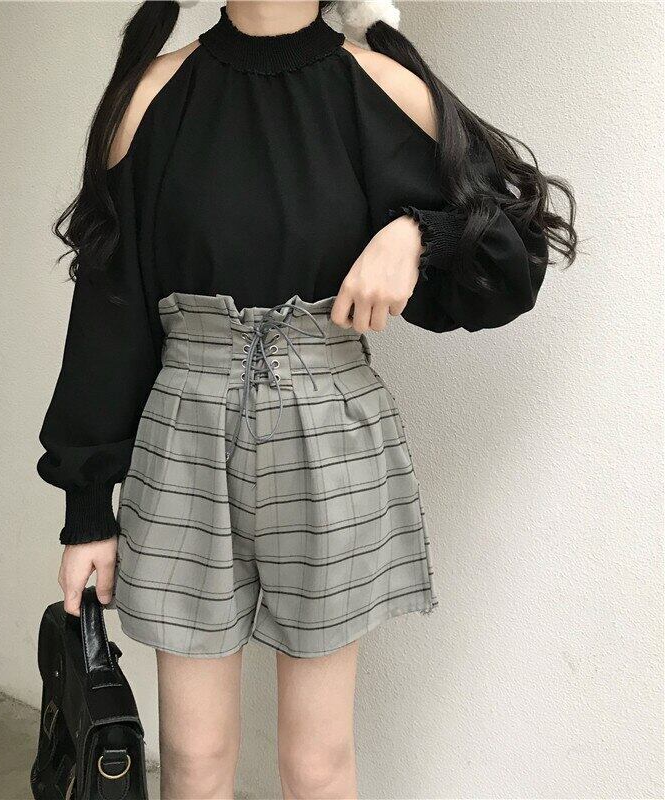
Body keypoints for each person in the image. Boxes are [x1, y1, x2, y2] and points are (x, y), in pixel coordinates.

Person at [37, 2, 577, 797]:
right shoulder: (152, 95)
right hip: (184, 436)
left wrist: (417, 234)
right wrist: (87, 506)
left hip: (332, 432)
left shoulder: (383, 86)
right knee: (193, 761)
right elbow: (109, 311)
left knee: (317, 764)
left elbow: (512, 252)